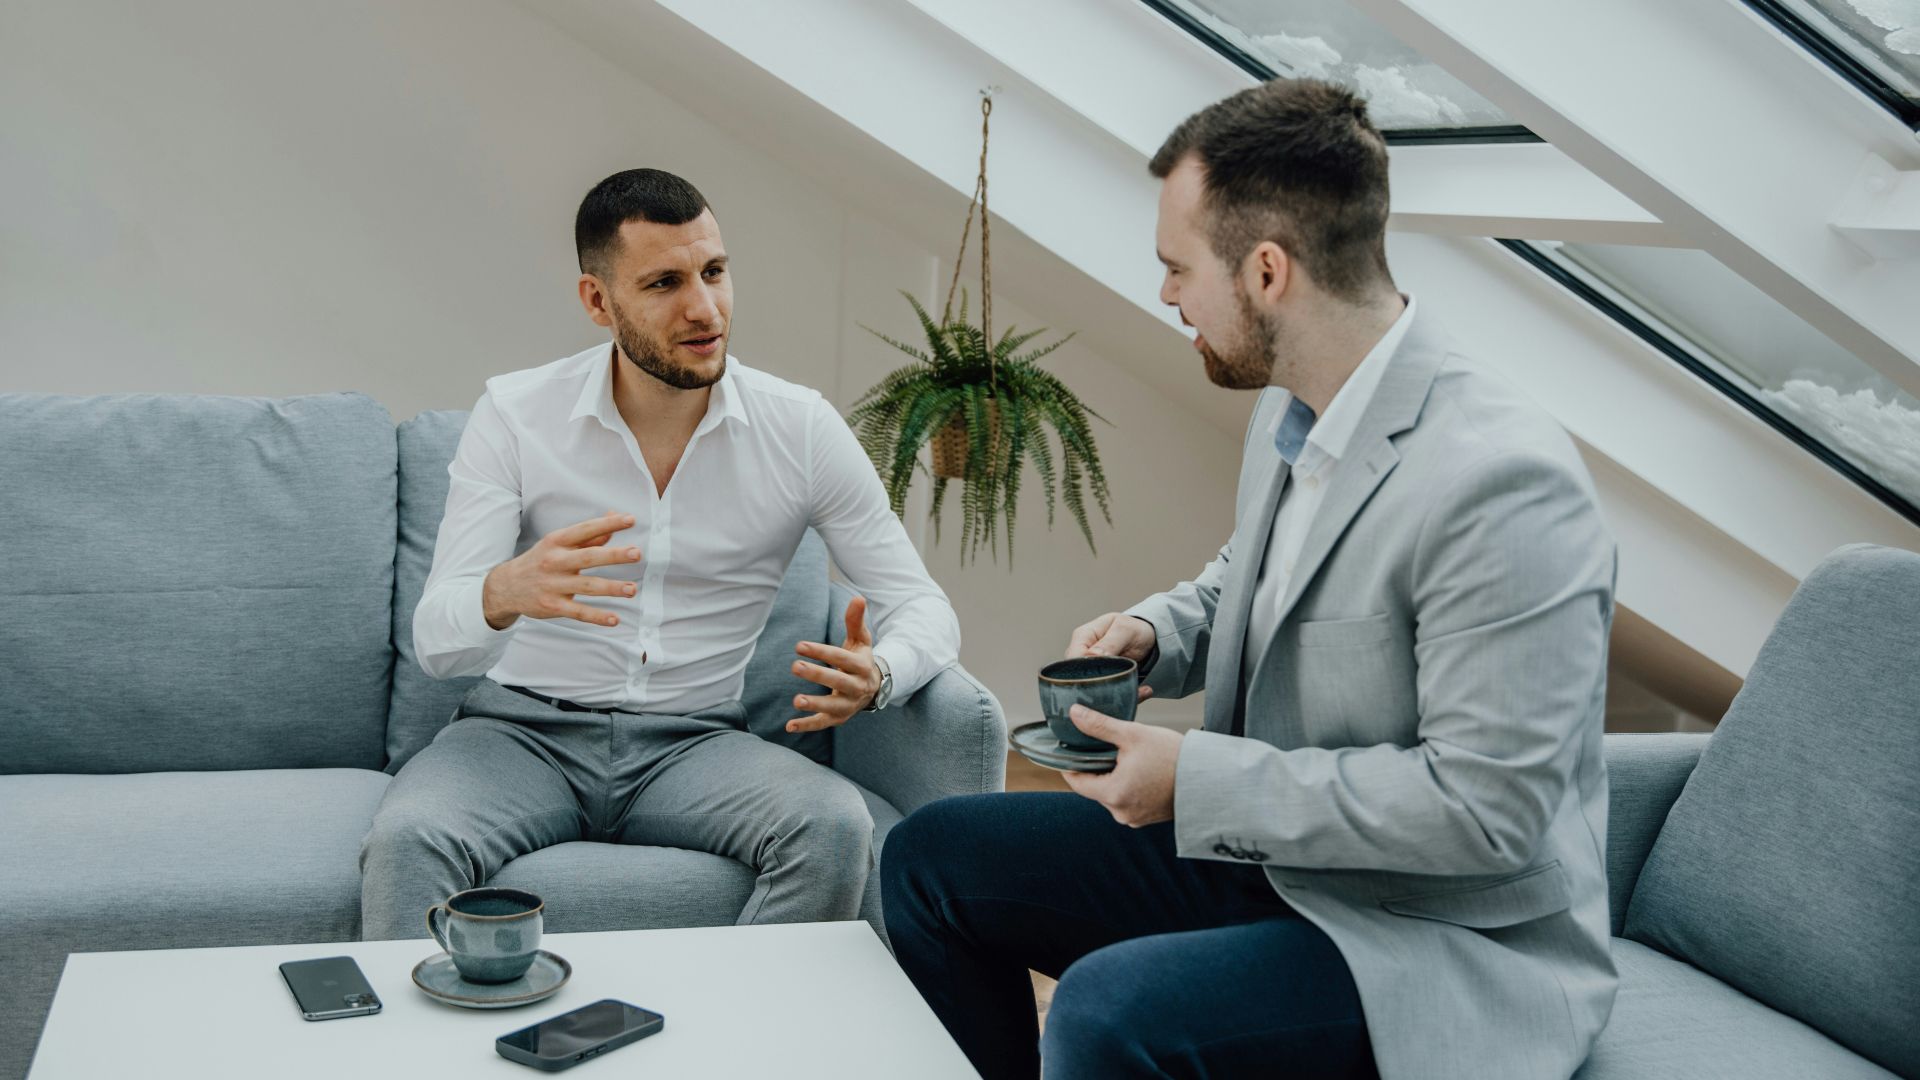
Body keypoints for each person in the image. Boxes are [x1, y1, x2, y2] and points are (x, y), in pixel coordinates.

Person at [883, 78, 1618, 1080]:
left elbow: (1487, 812)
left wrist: (1194, 782)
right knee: (931, 860)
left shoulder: (1505, 484)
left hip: (1432, 939)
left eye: (1177, 268)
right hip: (1284, 863)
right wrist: (1156, 634)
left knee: (1104, 1015)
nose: (1167, 295)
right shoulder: (1293, 408)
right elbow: (1261, 583)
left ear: (1267, 272)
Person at [360, 168, 961, 939]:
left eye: (714, 272)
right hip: (520, 735)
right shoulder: (515, 415)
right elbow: (437, 643)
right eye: (665, 282)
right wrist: (504, 590)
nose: (704, 308)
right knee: (408, 841)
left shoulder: (801, 430)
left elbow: (922, 604)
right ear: (597, 301)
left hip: (696, 743)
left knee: (835, 825)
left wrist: (883, 674)